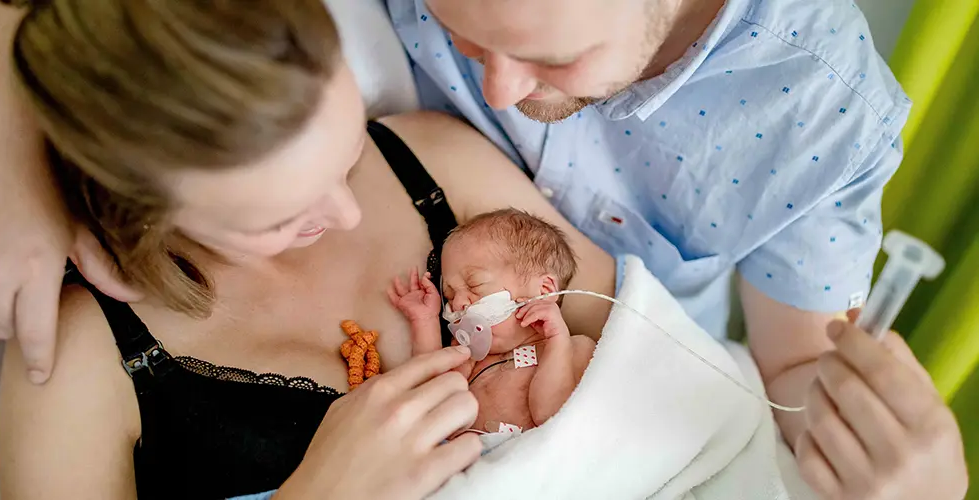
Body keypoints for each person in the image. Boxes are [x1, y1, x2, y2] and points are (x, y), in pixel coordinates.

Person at [0, 1, 615, 499]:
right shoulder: (79, 356)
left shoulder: (432, 161)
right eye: (283, 217)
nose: (348, 214)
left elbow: (644, 351)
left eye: (348, 156)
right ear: (140, 214)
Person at [385, 0, 969, 497]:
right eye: (463, 35)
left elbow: (797, 373)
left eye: (556, 58)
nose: (499, 92)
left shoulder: (821, 113)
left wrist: (884, 452)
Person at [389, 209, 596, 436]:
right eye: (449, 295)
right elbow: (431, 397)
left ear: (544, 291)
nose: (458, 303)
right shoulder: (470, 356)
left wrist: (557, 342)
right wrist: (425, 320)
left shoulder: (573, 349)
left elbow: (551, 415)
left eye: (475, 285)